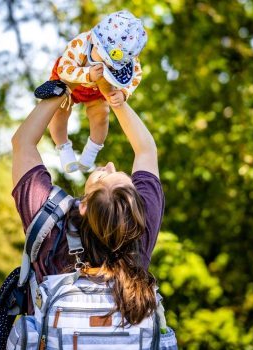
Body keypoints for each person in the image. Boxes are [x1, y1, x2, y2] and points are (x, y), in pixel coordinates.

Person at [11, 91, 163, 325]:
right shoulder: (141, 233)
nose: (110, 165)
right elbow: (146, 151)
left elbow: (22, 143)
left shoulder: (51, 228)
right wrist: (117, 101)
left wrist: (61, 86)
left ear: (83, 206)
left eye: (105, 174)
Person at [42, 10, 147, 173]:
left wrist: (124, 93)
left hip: (98, 86)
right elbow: (64, 68)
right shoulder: (80, 44)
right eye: (103, 57)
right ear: (93, 39)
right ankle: (63, 146)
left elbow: (136, 75)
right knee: (59, 110)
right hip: (71, 78)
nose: (105, 64)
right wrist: (86, 74)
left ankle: (92, 149)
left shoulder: (128, 58)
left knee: (101, 114)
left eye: (112, 65)